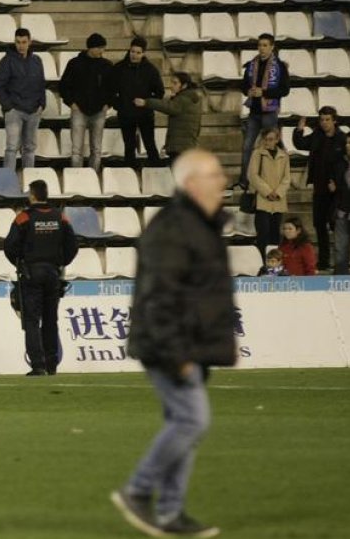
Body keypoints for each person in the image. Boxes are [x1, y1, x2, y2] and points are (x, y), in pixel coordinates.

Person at [111, 149, 236, 539]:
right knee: (192, 420)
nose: (224, 181)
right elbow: (160, 298)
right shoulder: (175, 228)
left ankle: (169, 513)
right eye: (215, 175)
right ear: (192, 183)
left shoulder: (195, 225)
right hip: (171, 346)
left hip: (189, 344)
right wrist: (179, 355)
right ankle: (138, 490)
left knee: (184, 426)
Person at [4, 179, 78, 376]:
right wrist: (61, 263)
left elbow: (9, 246)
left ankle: (38, 364)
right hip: (53, 273)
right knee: (50, 320)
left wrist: (20, 263)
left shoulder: (24, 217)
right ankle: (52, 364)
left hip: (31, 273)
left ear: (32, 195)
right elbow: (72, 245)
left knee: (31, 320)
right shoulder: (60, 217)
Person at [293, 107, 346, 270]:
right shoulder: (317, 135)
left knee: (337, 226)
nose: (324, 123)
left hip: (336, 192)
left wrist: (338, 184)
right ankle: (323, 262)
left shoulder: (342, 139)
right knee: (319, 225)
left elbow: (347, 165)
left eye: (327, 119)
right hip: (319, 189)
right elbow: (301, 144)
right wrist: (299, 130)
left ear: (334, 120)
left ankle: (342, 263)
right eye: (322, 119)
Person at [240, 34, 291, 186]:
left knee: (271, 146)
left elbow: (285, 90)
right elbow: (243, 86)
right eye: (259, 45)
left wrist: (264, 92)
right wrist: (248, 91)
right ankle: (245, 180)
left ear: (272, 47)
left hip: (269, 112)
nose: (261, 48)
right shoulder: (251, 64)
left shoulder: (280, 66)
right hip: (254, 112)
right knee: (247, 147)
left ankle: (274, 178)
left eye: (265, 45)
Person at [0, 28, 46, 171]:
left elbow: (41, 83)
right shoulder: (7, 61)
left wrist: (42, 104)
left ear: (30, 42)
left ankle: (29, 179)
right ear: (14, 42)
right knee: (12, 147)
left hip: (34, 110)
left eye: (24, 42)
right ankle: (8, 180)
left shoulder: (37, 61)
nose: (21, 45)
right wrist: (8, 107)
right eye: (18, 42)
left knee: (30, 148)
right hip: (14, 110)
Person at [59, 33, 111, 171]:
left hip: (99, 111)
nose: (102, 51)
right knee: (77, 150)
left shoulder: (106, 65)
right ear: (91, 47)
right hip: (79, 110)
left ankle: (93, 178)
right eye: (99, 48)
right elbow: (64, 86)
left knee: (96, 150)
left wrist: (108, 104)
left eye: (103, 48)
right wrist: (71, 103)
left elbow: (113, 87)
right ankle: (77, 177)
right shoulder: (75, 64)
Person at [110, 36, 164, 168]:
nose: (134, 55)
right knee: (129, 146)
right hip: (126, 113)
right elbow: (110, 90)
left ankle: (156, 171)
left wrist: (146, 102)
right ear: (129, 50)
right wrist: (119, 105)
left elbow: (159, 92)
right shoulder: (119, 68)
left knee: (149, 144)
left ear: (144, 53)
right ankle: (130, 172)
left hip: (145, 114)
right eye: (132, 51)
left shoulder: (150, 70)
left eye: (138, 53)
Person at [137, 72, 203, 164]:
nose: (171, 86)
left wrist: (146, 102)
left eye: (175, 83)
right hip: (187, 145)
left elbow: (168, 107)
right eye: (171, 82)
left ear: (184, 85)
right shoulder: (190, 98)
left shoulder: (183, 99)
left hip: (180, 148)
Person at [247, 127, 290, 259]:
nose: (267, 142)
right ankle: (262, 262)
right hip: (262, 200)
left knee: (275, 235)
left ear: (277, 140)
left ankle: (274, 263)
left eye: (271, 139)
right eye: (265, 139)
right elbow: (252, 175)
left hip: (278, 201)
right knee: (263, 234)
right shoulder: (257, 154)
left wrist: (278, 192)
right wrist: (267, 191)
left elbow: (287, 178)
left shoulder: (284, 156)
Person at [330, 132, 350, 274]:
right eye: (347, 143)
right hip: (342, 212)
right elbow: (334, 183)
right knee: (340, 249)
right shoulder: (339, 164)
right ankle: (340, 278)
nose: (348, 146)